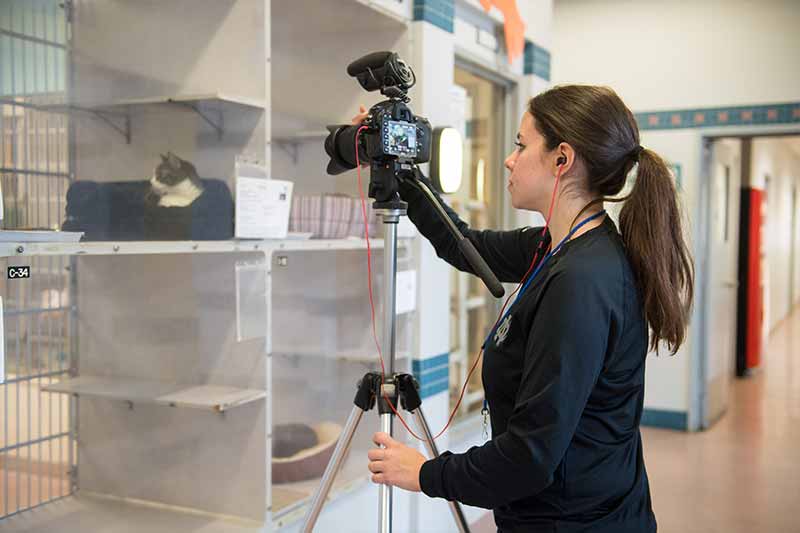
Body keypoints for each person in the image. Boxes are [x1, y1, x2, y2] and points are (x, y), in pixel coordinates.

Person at [359, 85, 694, 532]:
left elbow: (529, 457)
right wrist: (404, 174)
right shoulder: (557, 246)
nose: (509, 159)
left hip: (575, 522)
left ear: (562, 159)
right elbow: (468, 247)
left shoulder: (582, 281)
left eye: (521, 144)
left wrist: (423, 473)